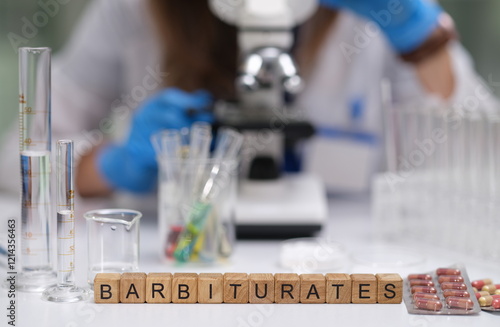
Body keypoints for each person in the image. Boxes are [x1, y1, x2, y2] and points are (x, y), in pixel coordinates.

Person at [0, 0, 496, 198]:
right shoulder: (133, 11)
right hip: (173, 270)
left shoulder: (369, 19)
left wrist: (419, 37)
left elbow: (480, 170)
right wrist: (107, 164)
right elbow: (13, 158)